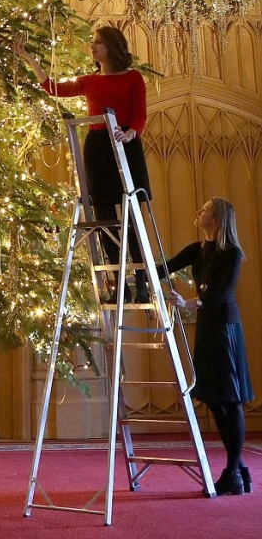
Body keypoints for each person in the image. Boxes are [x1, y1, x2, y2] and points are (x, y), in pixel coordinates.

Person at [14, 25, 151, 303]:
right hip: (98, 146)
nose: (93, 46)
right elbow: (54, 88)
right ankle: (118, 286)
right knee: (103, 217)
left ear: (112, 46)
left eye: (98, 42)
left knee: (132, 214)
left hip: (125, 144)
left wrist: (129, 133)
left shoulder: (133, 78)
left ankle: (142, 282)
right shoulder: (89, 80)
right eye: (93, 42)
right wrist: (30, 60)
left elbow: (140, 114)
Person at [160, 197, 254, 496]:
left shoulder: (232, 253)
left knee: (230, 400)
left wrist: (189, 302)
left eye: (205, 210)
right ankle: (238, 470)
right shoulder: (198, 249)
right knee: (213, 397)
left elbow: (223, 293)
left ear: (217, 219)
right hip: (207, 329)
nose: (198, 211)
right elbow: (164, 266)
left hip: (225, 329)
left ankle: (232, 472)